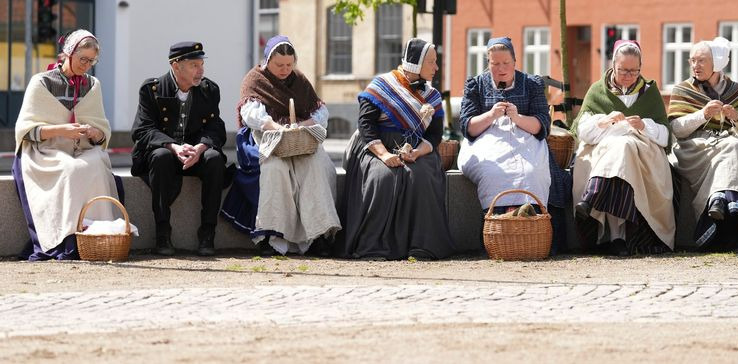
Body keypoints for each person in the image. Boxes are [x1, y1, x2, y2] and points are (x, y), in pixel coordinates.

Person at [222, 35, 340, 255]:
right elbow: (251, 114)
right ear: (268, 60)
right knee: (275, 169)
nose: (285, 69)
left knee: (317, 166)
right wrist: (276, 128)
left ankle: (318, 235)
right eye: (279, 65)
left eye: (289, 64)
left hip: (300, 139)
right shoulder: (254, 79)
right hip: (264, 136)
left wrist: (305, 124)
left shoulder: (300, 79)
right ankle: (273, 236)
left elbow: (319, 111)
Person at [339, 38, 455, 260]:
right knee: (382, 178)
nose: (436, 67)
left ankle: (422, 246)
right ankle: (373, 246)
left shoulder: (432, 96)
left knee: (421, 176)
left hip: (417, 149)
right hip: (376, 146)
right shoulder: (381, 87)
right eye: (432, 62)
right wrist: (384, 155)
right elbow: (366, 125)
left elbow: (434, 134)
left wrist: (418, 152)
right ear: (416, 64)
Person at [14, 30, 122, 260]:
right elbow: (26, 131)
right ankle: (66, 239)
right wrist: (62, 130)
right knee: (71, 169)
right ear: (68, 53)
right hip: (44, 150)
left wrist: (95, 132)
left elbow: (102, 132)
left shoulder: (92, 85)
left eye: (92, 61)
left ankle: (96, 236)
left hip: (81, 148)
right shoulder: (41, 82)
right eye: (83, 59)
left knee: (95, 164)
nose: (87, 65)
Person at [457, 36, 571, 253]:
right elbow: (467, 126)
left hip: (525, 137)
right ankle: (496, 231)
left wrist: (517, 118)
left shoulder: (531, 83)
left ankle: (533, 227)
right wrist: (491, 115)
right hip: (487, 139)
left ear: (515, 61)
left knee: (531, 171)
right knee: (492, 171)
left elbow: (542, 124)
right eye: (495, 64)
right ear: (488, 63)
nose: (500, 69)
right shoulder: (476, 84)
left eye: (505, 63)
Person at [668, 37, 738, 250]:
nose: (695, 66)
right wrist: (702, 114)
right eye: (692, 60)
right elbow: (676, 129)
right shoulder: (682, 89)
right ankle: (734, 211)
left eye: (701, 61)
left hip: (726, 144)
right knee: (732, 148)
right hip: (694, 148)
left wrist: (736, 116)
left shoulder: (736, 90)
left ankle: (719, 204)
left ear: (715, 64)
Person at [571, 40, 676, 256]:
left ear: (640, 68)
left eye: (633, 71)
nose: (628, 76)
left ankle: (593, 198)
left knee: (625, 145)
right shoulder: (597, 91)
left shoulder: (650, 93)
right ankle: (618, 237)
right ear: (613, 65)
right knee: (619, 146)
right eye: (623, 70)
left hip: (642, 151)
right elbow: (583, 131)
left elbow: (665, 136)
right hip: (603, 148)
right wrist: (605, 120)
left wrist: (644, 125)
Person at [131, 41, 227, 257]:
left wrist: (201, 147)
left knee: (214, 159)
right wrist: (172, 145)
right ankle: (163, 233)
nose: (200, 70)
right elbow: (143, 129)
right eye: (194, 65)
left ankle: (207, 233)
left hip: (195, 154)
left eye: (202, 64)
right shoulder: (152, 90)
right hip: (166, 153)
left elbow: (215, 126)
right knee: (161, 157)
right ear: (176, 66)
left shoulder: (209, 90)